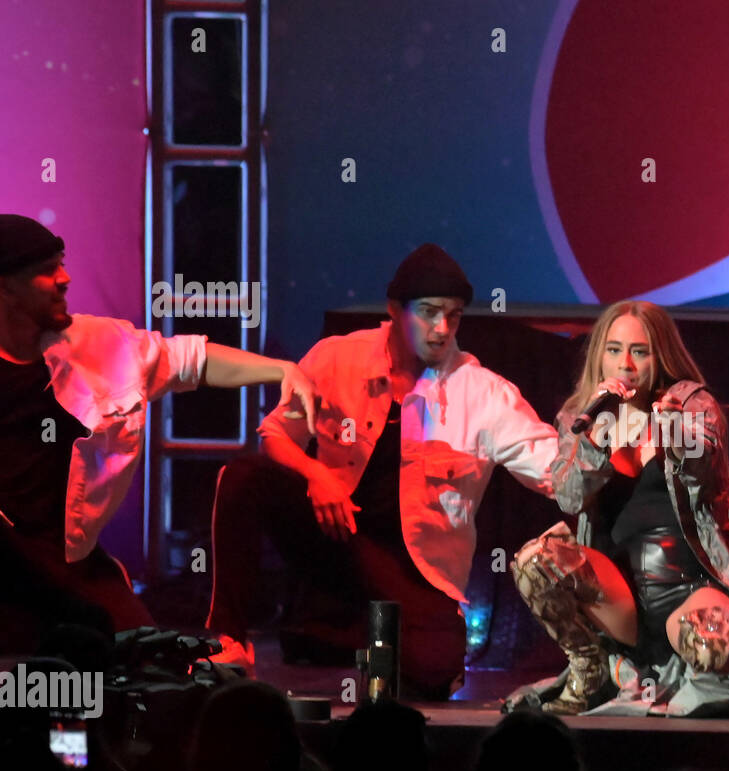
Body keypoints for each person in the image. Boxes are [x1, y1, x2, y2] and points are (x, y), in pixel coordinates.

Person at [206, 243, 558, 696]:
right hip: (335, 533)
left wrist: (612, 448)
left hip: (412, 564)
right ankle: (228, 640)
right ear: (395, 310)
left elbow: (550, 463)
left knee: (432, 671)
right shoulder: (337, 359)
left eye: (453, 315)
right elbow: (275, 435)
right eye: (429, 312)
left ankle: (348, 631)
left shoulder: (481, 392)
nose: (442, 328)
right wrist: (317, 476)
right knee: (243, 479)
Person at [0, 214, 316, 651]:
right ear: (5, 287)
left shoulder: (95, 345)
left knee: (152, 671)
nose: (64, 277)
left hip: (70, 564)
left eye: (62, 262)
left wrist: (281, 369)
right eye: (46, 269)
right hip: (7, 564)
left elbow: (190, 360)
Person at [505, 301, 729, 718]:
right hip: (619, 598)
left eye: (639, 351)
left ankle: (713, 676)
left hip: (689, 591)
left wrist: (669, 429)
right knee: (534, 561)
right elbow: (568, 496)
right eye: (613, 350)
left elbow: (703, 470)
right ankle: (590, 672)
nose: (624, 364)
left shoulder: (691, 408)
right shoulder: (583, 416)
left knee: (712, 645)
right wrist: (595, 437)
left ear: (659, 355)